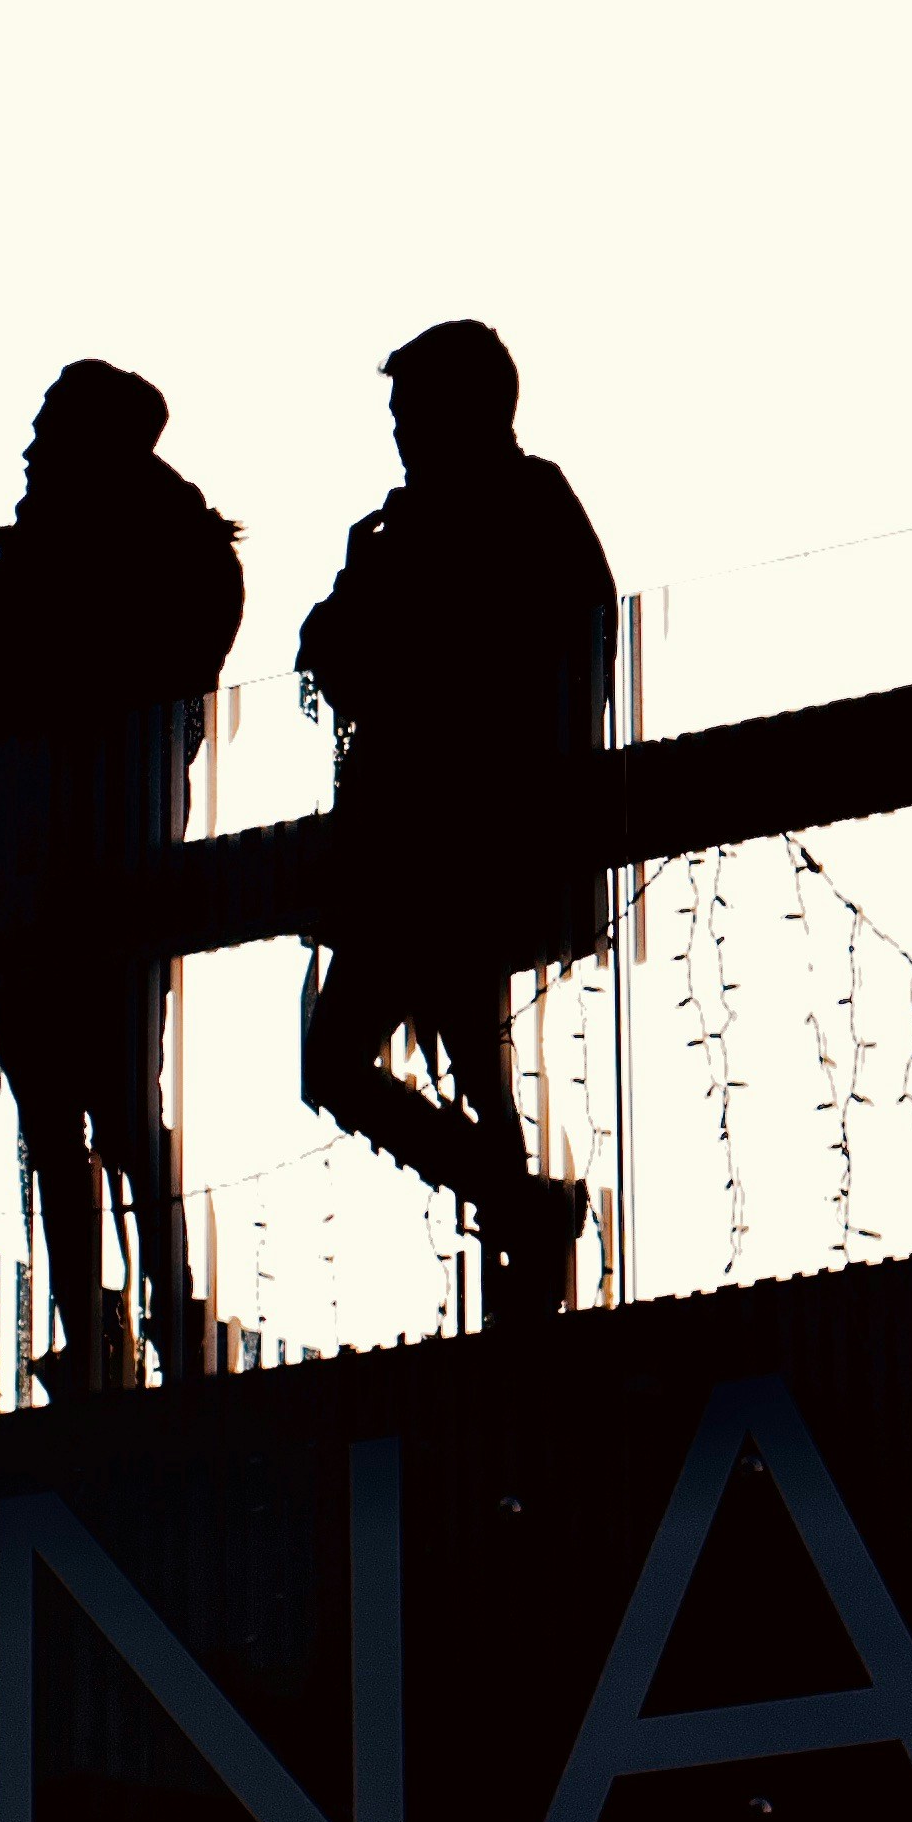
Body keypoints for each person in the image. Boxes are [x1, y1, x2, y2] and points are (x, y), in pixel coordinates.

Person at [0, 359, 244, 1394]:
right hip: (25, 870)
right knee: (65, 1115)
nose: (28, 452)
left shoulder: (156, 556)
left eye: (48, 430)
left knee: (108, 1102)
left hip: (96, 867)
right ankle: (105, 1324)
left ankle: (162, 1317)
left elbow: (151, 691)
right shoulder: (58, 562)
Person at [295, 320, 611, 1321]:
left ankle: (521, 1217)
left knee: (361, 1059)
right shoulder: (415, 525)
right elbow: (332, 651)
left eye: (411, 413)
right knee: (465, 1054)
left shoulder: (514, 505)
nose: (399, 435)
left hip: (466, 829)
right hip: (419, 835)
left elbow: (532, 655)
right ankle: (521, 1216)